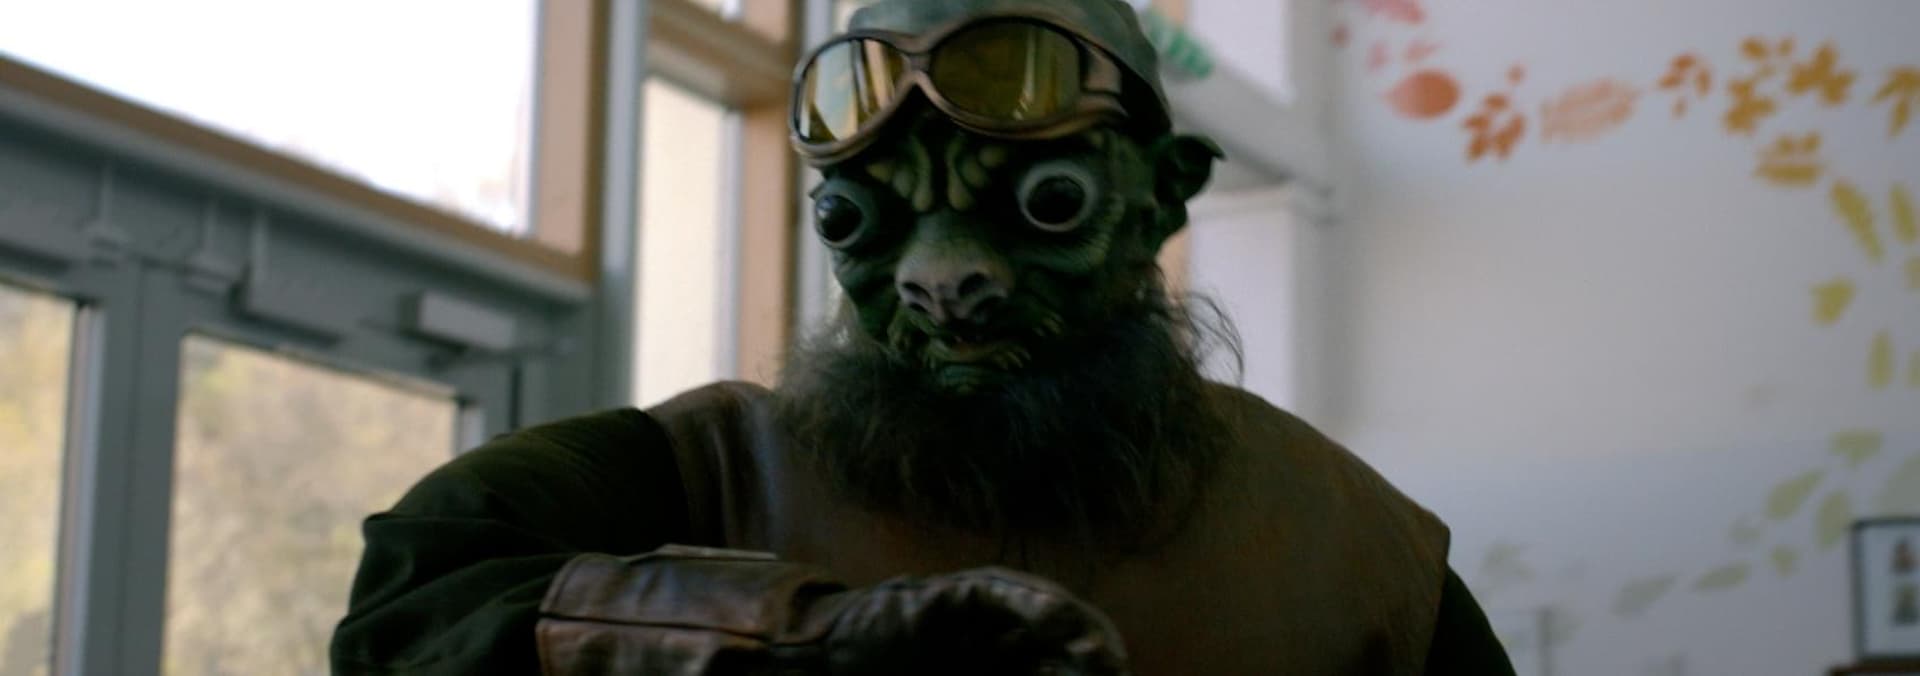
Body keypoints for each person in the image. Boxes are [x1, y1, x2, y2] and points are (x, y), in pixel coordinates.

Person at [329, 0, 1515, 673]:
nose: (940, 276)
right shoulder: (706, 470)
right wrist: (801, 642)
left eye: (1045, 203)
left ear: (1161, 196)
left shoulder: (1350, 548)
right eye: (864, 219)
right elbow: (413, 595)